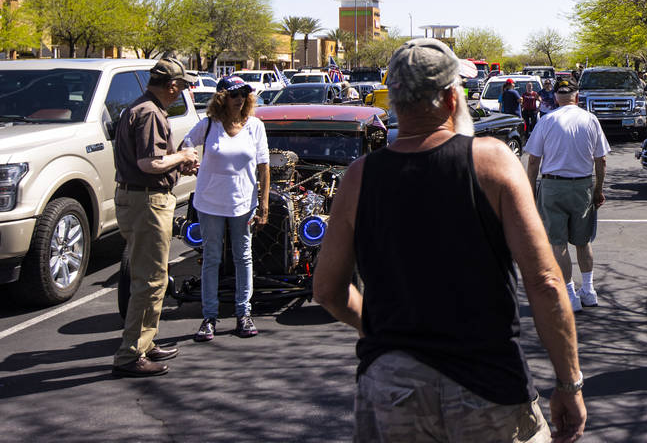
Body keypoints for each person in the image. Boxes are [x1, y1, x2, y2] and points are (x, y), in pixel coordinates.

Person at [314, 39, 585, 443]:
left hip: (391, 390)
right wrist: (569, 384)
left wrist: (374, 327)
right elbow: (545, 282)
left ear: (396, 101)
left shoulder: (358, 177)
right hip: (487, 385)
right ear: (450, 97)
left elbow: (328, 291)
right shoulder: (491, 160)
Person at [112, 57, 199, 378]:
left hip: (141, 198)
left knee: (153, 276)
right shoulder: (148, 113)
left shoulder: (141, 108)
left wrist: (176, 163)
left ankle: (146, 343)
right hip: (147, 201)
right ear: (171, 86)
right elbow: (150, 164)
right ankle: (130, 355)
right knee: (149, 280)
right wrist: (183, 156)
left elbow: (152, 161)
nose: (184, 91)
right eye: (183, 86)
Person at [183, 75, 270, 343]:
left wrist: (264, 204)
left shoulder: (254, 126)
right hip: (210, 203)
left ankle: (243, 313)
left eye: (243, 93)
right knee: (212, 258)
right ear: (221, 98)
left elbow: (263, 166)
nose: (239, 99)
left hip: (243, 203)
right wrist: (191, 162)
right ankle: (209, 317)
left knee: (243, 256)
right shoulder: (209, 125)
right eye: (234, 94)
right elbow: (185, 145)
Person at [525, 78, 611, 311]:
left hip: (552, 187)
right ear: (577, 96)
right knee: (583, 242)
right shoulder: (590, 119)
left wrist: (530, 192)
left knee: (558, 243)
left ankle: (571, 294)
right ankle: (589, 290)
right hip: (582, 186)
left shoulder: (546, 120)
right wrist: (598, 189)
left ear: (555, 97)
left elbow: (533, 161)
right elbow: (601, 159)